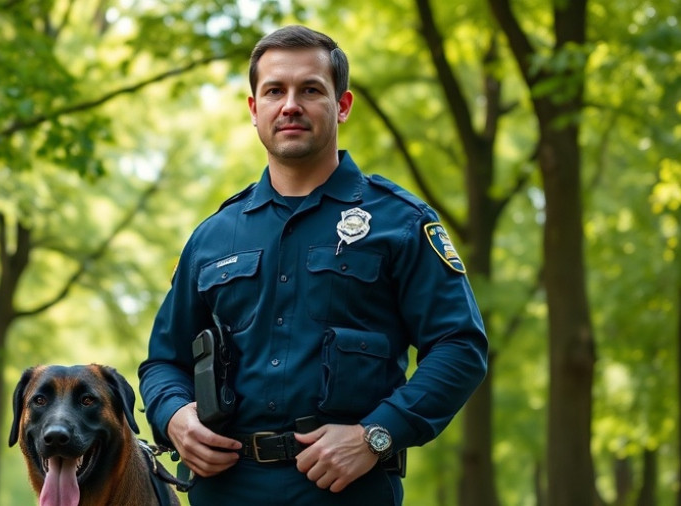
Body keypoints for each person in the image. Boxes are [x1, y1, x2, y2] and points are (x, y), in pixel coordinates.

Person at [138, 25, 488, 505]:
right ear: (254, 109)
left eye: (310, 90)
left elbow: (459, 346)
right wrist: (174, 417)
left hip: (348, 490)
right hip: (225, 489)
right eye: (274, 91)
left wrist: (376, 435)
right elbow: (163, 361)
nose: (290, 105)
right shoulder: (212, 237)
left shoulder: (399, 222)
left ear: (341, 105)